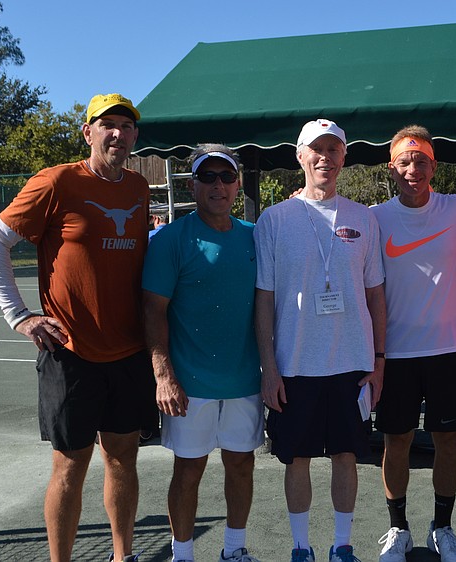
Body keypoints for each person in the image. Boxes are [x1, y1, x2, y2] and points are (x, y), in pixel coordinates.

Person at [0, 93, 155, 562]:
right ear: (89, 133)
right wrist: (20, 315)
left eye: (126, 125)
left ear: (135, 136)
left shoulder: (139, 189)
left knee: (123, 461)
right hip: (71, 353)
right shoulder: (56, 181)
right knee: (70, 465)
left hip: (129, 351)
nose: (117, 133)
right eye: (107, 124)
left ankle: (124, 556)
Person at [254, 119, 387, 562]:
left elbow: (375, 295)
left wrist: (379, 359)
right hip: (293, 365)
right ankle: (301, 547)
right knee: (298, 458)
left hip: (352, 362)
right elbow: (265, 300)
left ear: (344, 157)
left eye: (333, 149)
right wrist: (269, 366)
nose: (325, 158)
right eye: (317, 149)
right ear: (300, 156)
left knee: (347, 455)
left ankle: (342, 545)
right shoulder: (274, 220)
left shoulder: (363, 217)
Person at [370, 125, 456, 562]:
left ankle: (443, 528)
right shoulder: (375, 217)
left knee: (448, 443)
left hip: (449, 351)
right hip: (395, 355)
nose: (413, 168)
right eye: (405, 161)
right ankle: (398, 529)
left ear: (434, 166)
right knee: (395, 442)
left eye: (421, 161)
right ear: (392, 168)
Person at [143, 144, 264, 562]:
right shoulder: (170, 240)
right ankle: (183, 555)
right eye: (207, 177)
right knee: (189, 471)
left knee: (241, 466)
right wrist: (164, 376)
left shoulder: (255, 236)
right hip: (188, 384)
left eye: (226, 177)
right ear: (192, 184)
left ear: (237, 184)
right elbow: (153, 311)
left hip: (244, 381)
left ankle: (234, 550)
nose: (218, 185)